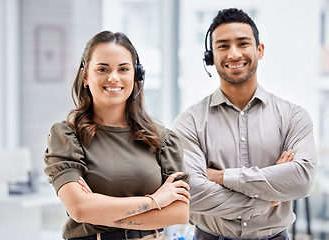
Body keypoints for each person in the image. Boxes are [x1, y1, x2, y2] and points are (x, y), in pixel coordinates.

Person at [172, 8, 317, 240]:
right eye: (223, 46)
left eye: (243, 43)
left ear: (259, 50)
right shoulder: (189, 122)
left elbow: (302, 179)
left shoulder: (293, 117)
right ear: (211, 57)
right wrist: (268, 197)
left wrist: (220, 177)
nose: (233, 54)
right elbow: (193, 193)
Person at [44, 30, 190, 240]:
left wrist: (101, 212)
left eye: (123, 69)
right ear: (85, 76)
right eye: (102, 69)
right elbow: (80, 209)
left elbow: (179, 213)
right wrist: (155, 201)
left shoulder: (162, 139)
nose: (113, 77)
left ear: (136, 75)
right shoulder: (67, 136)